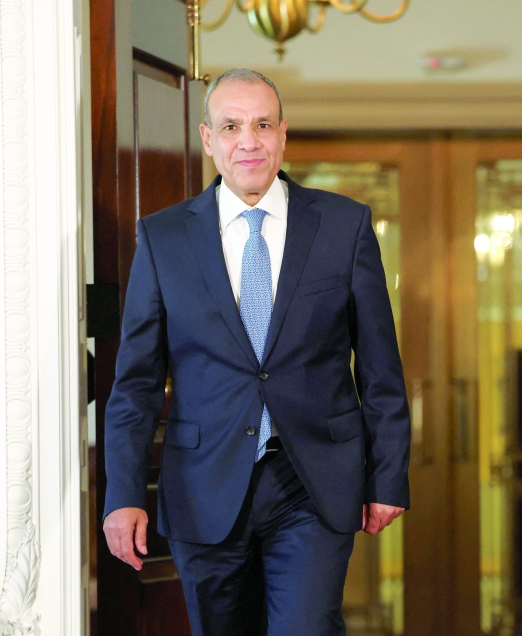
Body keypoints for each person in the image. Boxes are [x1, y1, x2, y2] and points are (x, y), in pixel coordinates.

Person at [102, 68, 410, 636]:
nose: (249, 141)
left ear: (283, 134)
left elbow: (380, 368)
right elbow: (136, 384)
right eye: (231, 126)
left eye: (263, 125)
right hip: (203, 485)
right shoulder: (164, 238)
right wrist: (122, 494)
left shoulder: (344, 225)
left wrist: (388, 477)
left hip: (312, 482)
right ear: (208, 139)